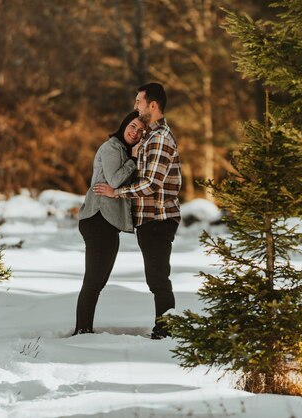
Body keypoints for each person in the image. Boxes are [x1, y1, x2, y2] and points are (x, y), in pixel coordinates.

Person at [94, 83, 181, 340]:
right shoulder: (150, 136)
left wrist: (116, 192)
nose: (135, 106)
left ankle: (165, 331)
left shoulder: (160, 138)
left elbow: (152, 184)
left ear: (152, 105)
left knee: (158, 278)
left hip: (159, 218)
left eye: (138, 101)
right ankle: (165, 328)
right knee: (155, 277)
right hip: (148, 219)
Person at [73, 111, 145, 335]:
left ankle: (85, 329)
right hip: (97, 219)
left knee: (98, 281)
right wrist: (133, 160)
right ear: (124, 124)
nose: (135, 132)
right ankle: (82, 331)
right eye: (132, 126)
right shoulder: (112, 148)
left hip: (107, 223)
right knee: (93, 282)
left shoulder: (123, 150)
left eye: (141, 131)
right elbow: (114, 180)